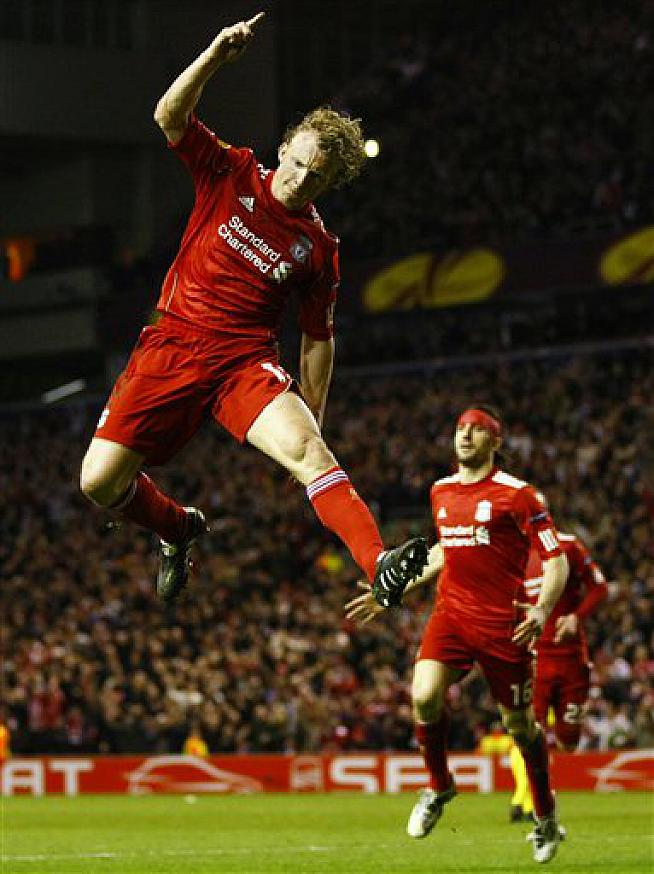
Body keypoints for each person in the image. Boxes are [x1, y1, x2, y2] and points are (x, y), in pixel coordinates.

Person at [79, 12, 426, 603]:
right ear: (285, 147)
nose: (300, 179)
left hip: (243, 363)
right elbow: (169, 117)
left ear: (327, 186)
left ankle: (379, 563)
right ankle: (178, 528)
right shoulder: (230, 170)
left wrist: (312, 412)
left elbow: (318, 338)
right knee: (98, 482)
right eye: (298, 162)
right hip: (172, 344)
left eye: (316, 177)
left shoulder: (318, 247)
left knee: (309, 452)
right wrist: (215, 56)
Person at [346, 405, 569, 864]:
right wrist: (391, 592)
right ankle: (438, 785)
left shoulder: (519, 496)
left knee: (520, 727)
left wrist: (543, 609)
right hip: (451, 617)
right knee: (423, 696)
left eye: (476, 430)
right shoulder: (441, 491)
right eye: (461, 429)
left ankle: (545, 817)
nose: (465, 436)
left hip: (503, 626)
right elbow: (442, 552)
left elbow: (556, 559)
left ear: (496, 442)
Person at [510, 516, 608, 820]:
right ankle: (528, 801)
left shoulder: (568, 546)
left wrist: (577, 617)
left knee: (568, 741)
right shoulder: (515, 556)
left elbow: (600, 588)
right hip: (535, 660)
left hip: (572, 661)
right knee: (528, 731)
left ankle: (529, 799)